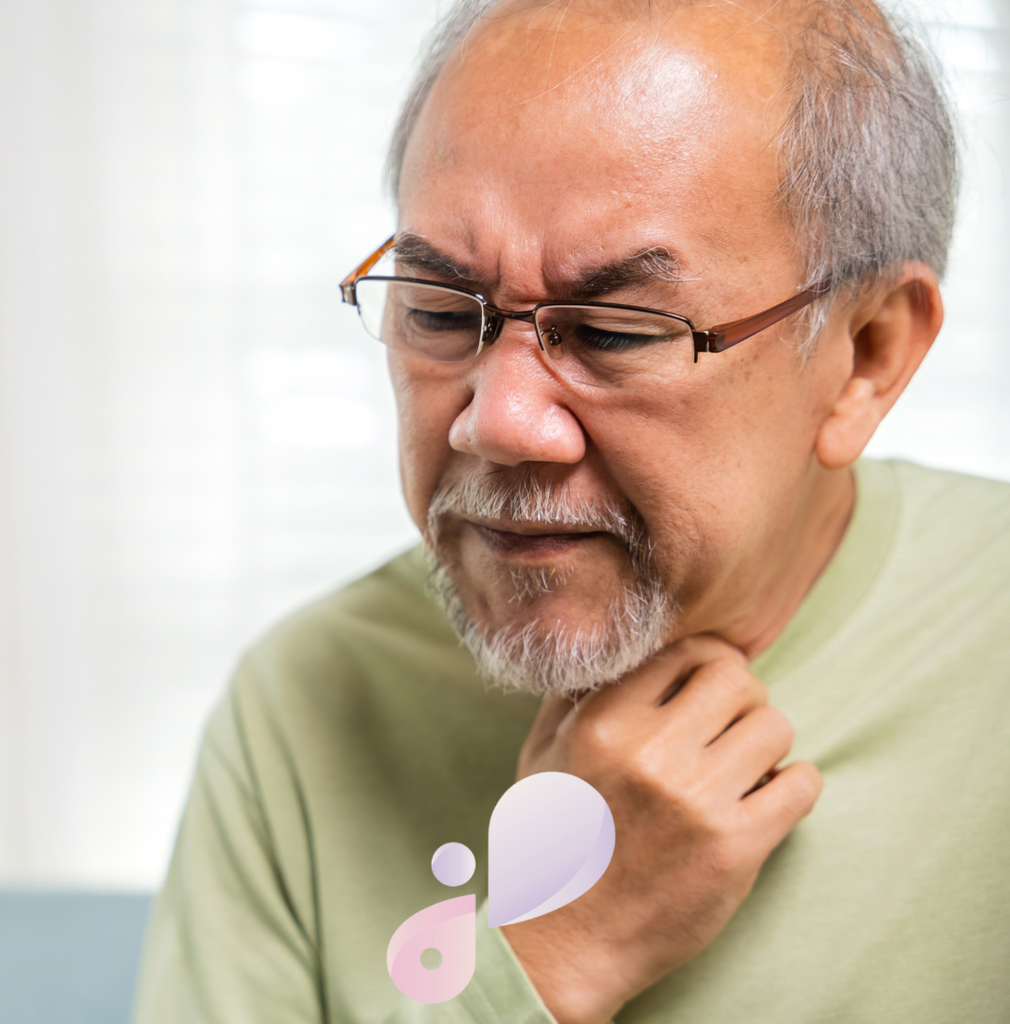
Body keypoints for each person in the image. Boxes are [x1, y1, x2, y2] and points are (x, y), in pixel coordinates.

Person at [132, 1, 1010, 1022]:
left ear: (867, 353)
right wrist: (557, 950)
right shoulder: (308, 702)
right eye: (439, 312)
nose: (496, 423)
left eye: (613, 331)